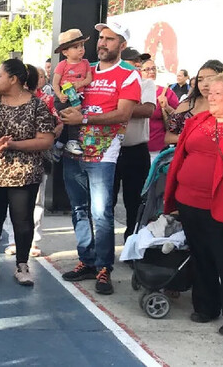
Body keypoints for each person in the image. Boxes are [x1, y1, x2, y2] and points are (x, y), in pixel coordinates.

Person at [59, 22, 141, 295]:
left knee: (101, 213)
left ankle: (104, 266)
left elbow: (123, 114)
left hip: (104, 154)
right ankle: (87, 260)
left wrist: (83, 117)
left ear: (122, 45)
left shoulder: (129, 74)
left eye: (110, 39)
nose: (102, 43)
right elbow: (63, 94)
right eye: (101, 38)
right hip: (73, 150)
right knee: (79, 210)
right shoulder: (85, 68)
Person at [0, 59, 54, 286]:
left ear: (13, 79)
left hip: (24, 174)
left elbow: (46, 139)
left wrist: (14, 145)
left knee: (23, 220)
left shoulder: (36, 105)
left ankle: (22, 264)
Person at [164, 72, 223, 337]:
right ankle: (205, 306)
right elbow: (180, 155)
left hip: (220, 205)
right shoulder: (198, 120)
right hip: (189, 201)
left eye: (218, 94)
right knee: (200, 256)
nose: (210, 97)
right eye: (209, 92)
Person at [4, 66, 63, 257]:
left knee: (36, 201)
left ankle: (33, 241)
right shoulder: (6, 100)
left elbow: (59, 123)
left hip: (37, 159)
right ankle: (13, 239)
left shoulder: (45, 100)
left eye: (40, 77)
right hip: (10, 160)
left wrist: (47, 139)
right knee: (11, 200)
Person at [112, 48, 156, 241]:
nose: (138, 65)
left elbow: (147, 109)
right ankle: (103, 248)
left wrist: (121, 106)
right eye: (133, 62)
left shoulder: (146, 83)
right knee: (105, 202)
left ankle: (132, 243)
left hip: (136, 149)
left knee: (135, 201)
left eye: (140, 62)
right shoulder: (111, 83)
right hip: (110, 149)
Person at [52, 29, 93, 156]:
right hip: (64, 98)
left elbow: (89, 78)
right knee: (73, 116)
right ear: (65, 52)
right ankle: (72, 141)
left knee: (71, 120)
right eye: (76, 47)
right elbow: (55, 83)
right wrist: (60, 95)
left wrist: (79, 84)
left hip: (77, 96)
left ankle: (60, 144)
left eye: (82, 45)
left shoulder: (85, 63)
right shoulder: (62, 65)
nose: (81, 49)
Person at [165, 60, 223, 146]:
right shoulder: (187, 105)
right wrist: (191, 138)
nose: (204, 84)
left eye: (210, 79)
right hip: (188, 156)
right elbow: (168, 137)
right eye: (200, 80)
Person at [141, 58, 180, 160]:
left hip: (158, 147)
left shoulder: (166, 92)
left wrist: (167, 107)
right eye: (147, 69)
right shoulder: (132, 90)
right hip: (136, 146)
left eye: (154, 69)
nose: (151, 72)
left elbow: (179, 116)